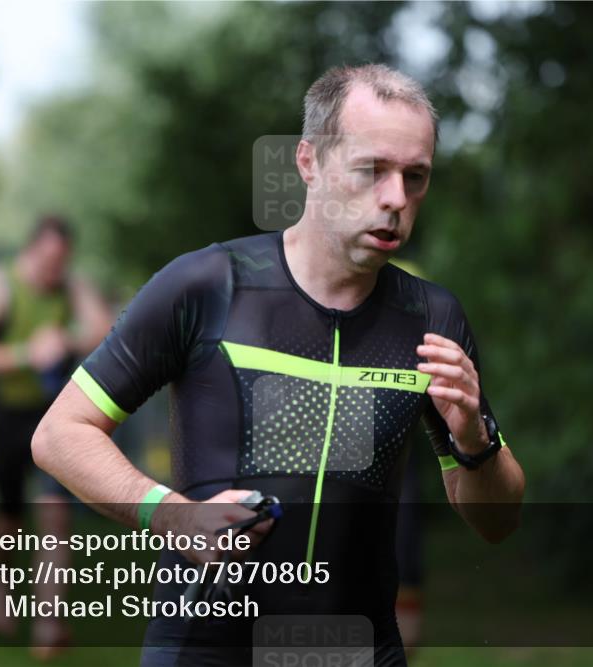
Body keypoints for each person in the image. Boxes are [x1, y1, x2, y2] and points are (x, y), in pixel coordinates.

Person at [33, 65, 526, 666]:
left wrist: (476, 440)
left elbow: (496, 522)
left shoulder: (432, 317)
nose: (397, 197)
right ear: (309, 162)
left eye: (415, 176)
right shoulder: (207, 285)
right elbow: (61, 433)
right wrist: (169, 513)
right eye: (372, 169)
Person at [0, 215, 110, 658]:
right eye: (46, 260)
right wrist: (29, 352)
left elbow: (105, 329)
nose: (52, 271)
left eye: (60, 262)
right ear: (30, 251)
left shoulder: (71, 286)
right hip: (7, 414)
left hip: (54, 414)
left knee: (55, 513)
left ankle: (48, 623)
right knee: (10, 518)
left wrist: (65, 336)